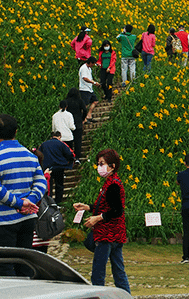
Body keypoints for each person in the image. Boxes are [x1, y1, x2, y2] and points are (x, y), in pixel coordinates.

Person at [0, 114, 46, 276]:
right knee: (23, 265)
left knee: (3, 267)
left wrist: (19, 203)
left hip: (2, 222)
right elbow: (41, 184)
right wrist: (29, 201)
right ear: (16, 132)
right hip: (26, 220)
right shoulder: (30, 156)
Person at [73, 149, 130, 292]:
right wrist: (87, 207)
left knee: (98, 273)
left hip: (106, 235)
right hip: (116, 234)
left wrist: (97, 218)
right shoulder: (110, 182)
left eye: (102, 164)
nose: (99, 167)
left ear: (112, 166)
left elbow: (116, 210)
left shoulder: (113, 185)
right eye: (98, 164)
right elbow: (105, 206)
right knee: (118, 271)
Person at [38, 131, 76, 203]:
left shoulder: (44, 144)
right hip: (59, 167)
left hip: (47, 168)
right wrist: (69, 162)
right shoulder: (61, 144)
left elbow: (39, 154)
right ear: (59, 137)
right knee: (59, 185)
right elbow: (69, 154)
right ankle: (58, 202)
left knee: (49, 185)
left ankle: (49, 201)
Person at [78, 56, 100, 121]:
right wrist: (93, 83)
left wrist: (95, 83)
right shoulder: (83, 68)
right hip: (84, 89)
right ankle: (83, 118)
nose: (93, 65)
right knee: (85, 104)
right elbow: (85, 78)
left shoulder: (89, 69)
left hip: (90, 89)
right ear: (90, 62)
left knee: (95, 101)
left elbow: (90, 78)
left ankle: (89, 115)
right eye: (93, 64)